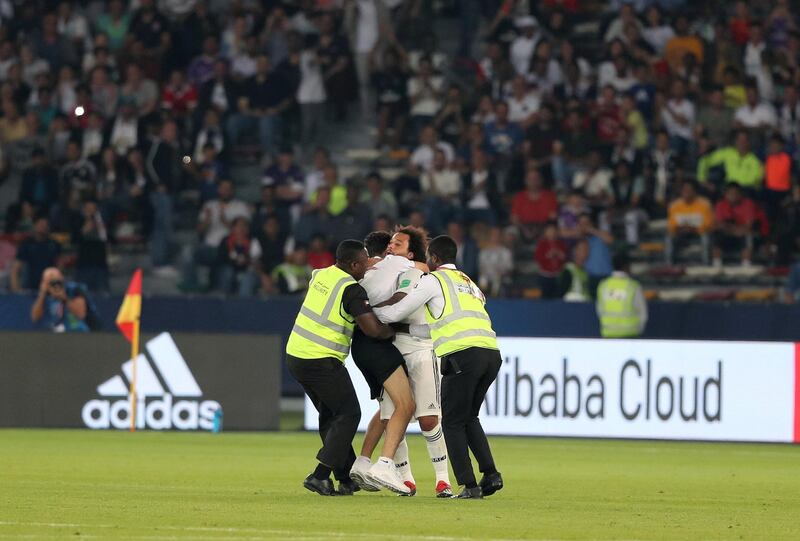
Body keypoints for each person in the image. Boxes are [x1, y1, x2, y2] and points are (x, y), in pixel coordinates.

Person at [374, 235, 503, 499]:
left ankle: (469, 485)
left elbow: (397, 311)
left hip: (461, 355)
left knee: (453, 422)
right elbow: (447, 320)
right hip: (490, 352)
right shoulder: (469, 282)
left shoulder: (433, 281)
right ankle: (491, 474)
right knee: (469, 418)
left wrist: (372, 315)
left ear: (433, 258)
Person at [285, 239, 400, 496]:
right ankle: (320, 475)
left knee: (331, 417)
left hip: (296, 355)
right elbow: (372, 330)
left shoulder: (321, 274)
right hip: (320, 359)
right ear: (353, 264)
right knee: (349, 415)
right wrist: (394, 331)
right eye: (364, 262)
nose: (368, 267)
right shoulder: (352, 289)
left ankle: (344, 478)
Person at [350, 228, 454, 498]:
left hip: (420, 347)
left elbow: (401, 301)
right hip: (391, 346)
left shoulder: (414, 272)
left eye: (397, 244)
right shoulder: (381, 271)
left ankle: (443, 480)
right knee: (392, 414)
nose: (390, 247)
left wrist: (371, 312)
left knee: (429, 418)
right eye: (390, 243)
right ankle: (405, 479)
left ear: (409, 252)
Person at [596, 253, 647, 338]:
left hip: (609, 334)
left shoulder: (603, 286)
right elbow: (643, 313)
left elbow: (600, 310)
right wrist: (639, 329)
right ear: (627, 266)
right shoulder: (633, 286)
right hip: (631, 334)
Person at [30, 267, 90, 333]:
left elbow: (81, 314)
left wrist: (64, 298)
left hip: (76, 331)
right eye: (50, 282)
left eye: (55, 281)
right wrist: (42, 294)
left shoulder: (74, 289)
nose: (54, 285)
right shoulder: (45, 296)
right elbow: (35, 317)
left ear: (62, 278)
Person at [10, 216, 60, 292]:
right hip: (29, 288)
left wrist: (57, 289)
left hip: (49, 289)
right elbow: (15, 269)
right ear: (35, 225)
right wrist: (16, 290)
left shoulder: (54, 245)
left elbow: (59, 267)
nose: (43, 227)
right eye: (41, 224)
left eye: (46, 225)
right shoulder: (26, 244)